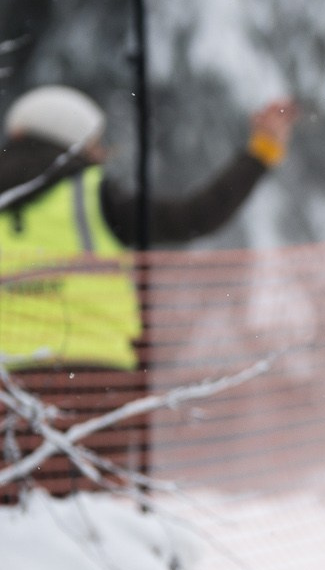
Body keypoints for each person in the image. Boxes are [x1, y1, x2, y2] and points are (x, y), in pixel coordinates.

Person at [0, 85, 299, 371]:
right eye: (96, 145)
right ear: (74, 142)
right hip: (94, 376)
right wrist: (262, 151)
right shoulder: (94, 195)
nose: (102, 154)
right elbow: (195, 217)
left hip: (8, 387)